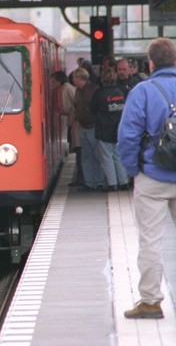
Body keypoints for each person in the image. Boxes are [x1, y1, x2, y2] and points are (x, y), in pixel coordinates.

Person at [118, 37, 176, 319]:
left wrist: (133, 171)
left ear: (150, 63)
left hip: (153, 176)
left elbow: (127, 136)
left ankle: (151, 301)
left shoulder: (143, 90)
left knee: (151, 240)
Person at [90, 68, 128, 192]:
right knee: (119, 156)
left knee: (107, 157)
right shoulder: (122, 91)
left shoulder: (99, 93)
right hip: (120, 129)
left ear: (102, 79)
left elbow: (93, 109)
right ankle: (124, 182)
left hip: (104, 129)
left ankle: (112, 184)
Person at [72, 67, 105, 191]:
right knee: (86, 156)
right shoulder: (78, 91)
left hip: (93, 126)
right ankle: (89, 182)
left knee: (96, 155)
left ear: (79, 78)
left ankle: (99, 181)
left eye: (74, 77)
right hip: (83, 126)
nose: (73, 80)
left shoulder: (93, 90)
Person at [51, 71, 83, 185]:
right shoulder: (69, 87)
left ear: (59, 81)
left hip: (74, 122)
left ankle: (80, 178)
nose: (52, 84)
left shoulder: (65, 89)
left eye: (54, 82)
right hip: (77, 121)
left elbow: (65, 108)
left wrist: (58, 110)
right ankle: (81, 177)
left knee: (78, 150)